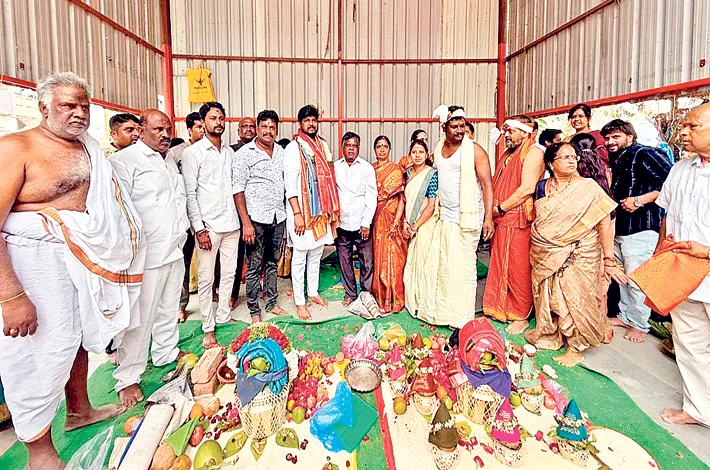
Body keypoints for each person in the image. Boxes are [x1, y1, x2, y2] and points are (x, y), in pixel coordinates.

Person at [0, 72, 141, 469]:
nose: (79, 112)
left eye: (84, 105)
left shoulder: (88, 148)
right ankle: (39, 451)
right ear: (44, 107)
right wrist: (11, 296)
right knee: (37, 354)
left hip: (76, 262)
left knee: (74, 337)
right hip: (33, 267)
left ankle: (79, 409)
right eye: (68, 105)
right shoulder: (16, 148)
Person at [110, 109, 189, 406]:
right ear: (141, 130)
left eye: (168, 129)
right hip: (147, 254)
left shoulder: (167, 160)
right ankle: (128, 377)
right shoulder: (124, 161)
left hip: (174, 247)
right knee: (141, 319)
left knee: (168, 308)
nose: (165, 134)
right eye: (158, 129)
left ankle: (166, 352)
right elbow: (118, 211)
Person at [525, 143, 623, 367]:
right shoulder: (542, 187)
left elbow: (604, 223)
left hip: (580, 252)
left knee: (576, 298)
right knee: (552, 296)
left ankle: (576, 346)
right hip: (546, 251)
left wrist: (609, 259)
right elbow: (540, 218)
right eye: (565, 157)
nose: (572, 161)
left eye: (574, 157)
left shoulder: (588, 187)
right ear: (551, 164)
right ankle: (553, 334)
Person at [657, 103, 710, 427]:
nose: (683, 133)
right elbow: (667, 215)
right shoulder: (680, 168)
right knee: (690, 344)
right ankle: (699, 409)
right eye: (684, 126)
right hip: (681, 273)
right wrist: (659, 258)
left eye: (693, 126)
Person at [421, 105, 494, 327]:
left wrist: (488, 218)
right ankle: (445, 313)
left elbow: (487, 184)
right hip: (446, 216)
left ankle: (462, 318)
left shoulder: (475, 150)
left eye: (462, 126)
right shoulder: (438, 147)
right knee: (447, 266)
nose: (460, 130)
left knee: (464, 269)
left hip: (468, 219)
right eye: (455, 126)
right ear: (444, 127)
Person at [601, 119, 672, 343]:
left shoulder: (644, 153)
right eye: (607, 138)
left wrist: (640, 200)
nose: (610, 142)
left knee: (637, 279)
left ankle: (640, 325)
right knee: (623, 276)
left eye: (616, 136)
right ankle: (625, 316)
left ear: (630, 137)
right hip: (621, 226)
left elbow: (671, 183)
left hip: (641, 226)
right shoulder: (618, 158)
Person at [182, 102, 240, 348]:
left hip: (231, 223)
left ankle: (224, 316)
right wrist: (199, 228)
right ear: (203, 122)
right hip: (209, 226)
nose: (218, 122)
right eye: (213, 118)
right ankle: (208, 327)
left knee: (229, 274)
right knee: (206, 279)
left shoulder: (229, 152)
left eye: (221, 118)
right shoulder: (193, 153)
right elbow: (189, 194)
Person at [483, 116, 544, 334]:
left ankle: (521, 315)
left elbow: (527, 188)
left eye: (510, 131)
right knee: (500, 264)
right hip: (501, 218)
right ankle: (500, 308)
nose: (506, 135)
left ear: (525, 132)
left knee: (518, 269)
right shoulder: (508, 153)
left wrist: (500, 208)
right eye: (505, 131)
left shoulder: (534, 152)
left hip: (516, 218)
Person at [283, 105, 340, 320]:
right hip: (302, 212)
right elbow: (290, 184)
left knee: (316, 253)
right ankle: (300, 302)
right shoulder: (294, 148)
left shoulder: (322, 146)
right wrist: (297, 214)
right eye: (306, 120)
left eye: (314, 120)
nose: (311, 123)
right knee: (300, 256)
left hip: (320, 212)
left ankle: (313, 292)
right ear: (300, 123)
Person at [233, 110, 288, 322]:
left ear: (276, 130)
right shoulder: (244, 154)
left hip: (277, 217)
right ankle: (254, 310)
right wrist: (246, 223)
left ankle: (272, 302)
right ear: (257, 128)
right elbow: (238, 190)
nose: (268, 131)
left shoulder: (281, 152)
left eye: (272, 127)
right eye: (264, 126)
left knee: (272, 263)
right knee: (254, 266)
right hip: (255, 219)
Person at [334, 132, 377, 307]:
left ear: (358, 148)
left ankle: (366, 292)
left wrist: (366, 222)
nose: (351, 149)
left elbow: (371, 196)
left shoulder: (367, 168)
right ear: (342, 147)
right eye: (348, 145)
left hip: (361, 223)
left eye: (354, 146)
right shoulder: (335, 167)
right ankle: (350, 293)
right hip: (342, 223)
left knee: (366, 259)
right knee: (344, 259)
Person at [169, 111, 205, 321]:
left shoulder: (212, 150)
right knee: (183, 260)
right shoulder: (176, 153)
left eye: (204, 126)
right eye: (198, 127)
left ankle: (212, 292)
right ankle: (181, 305)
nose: (202, 130)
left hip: (206, 214)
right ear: (189, 130)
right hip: (184, 216)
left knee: (211, 260)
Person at [402, 139, 439, 318]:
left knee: (423, 264)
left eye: (421, 152)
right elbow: (404, 200)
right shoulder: (408, 174)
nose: (417, 155)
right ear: (410, 155)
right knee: (411, 264)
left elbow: (431, 205)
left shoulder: (432, 174)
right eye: (414, 152)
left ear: (426, 155)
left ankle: (423, 304)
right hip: (409, 224)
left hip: (424, 224)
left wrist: (415, 226)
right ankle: (412, 301)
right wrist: (405, 222)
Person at [371, 135, 407, 314]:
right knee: (379, 257)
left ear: (389, 149)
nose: (382, 149)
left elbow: (401, 199)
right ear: (374, 150)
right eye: (379, 146)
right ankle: (381, 297)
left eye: (385, 146)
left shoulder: (396, 170)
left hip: (393, 220)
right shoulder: (370, 169)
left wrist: (396, 222)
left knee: (395, 259)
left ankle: (396, 298)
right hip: (377, 219)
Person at [226, 116, 256, 309]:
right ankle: (233, 294)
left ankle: (257, 293)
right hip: (236, 212)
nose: (248, 129)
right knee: (235, 258)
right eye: (244, 126)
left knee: (257, 257)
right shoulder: (231, 152)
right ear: (238, 131)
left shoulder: (262, 149)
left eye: (252, 126)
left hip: (258, 212)